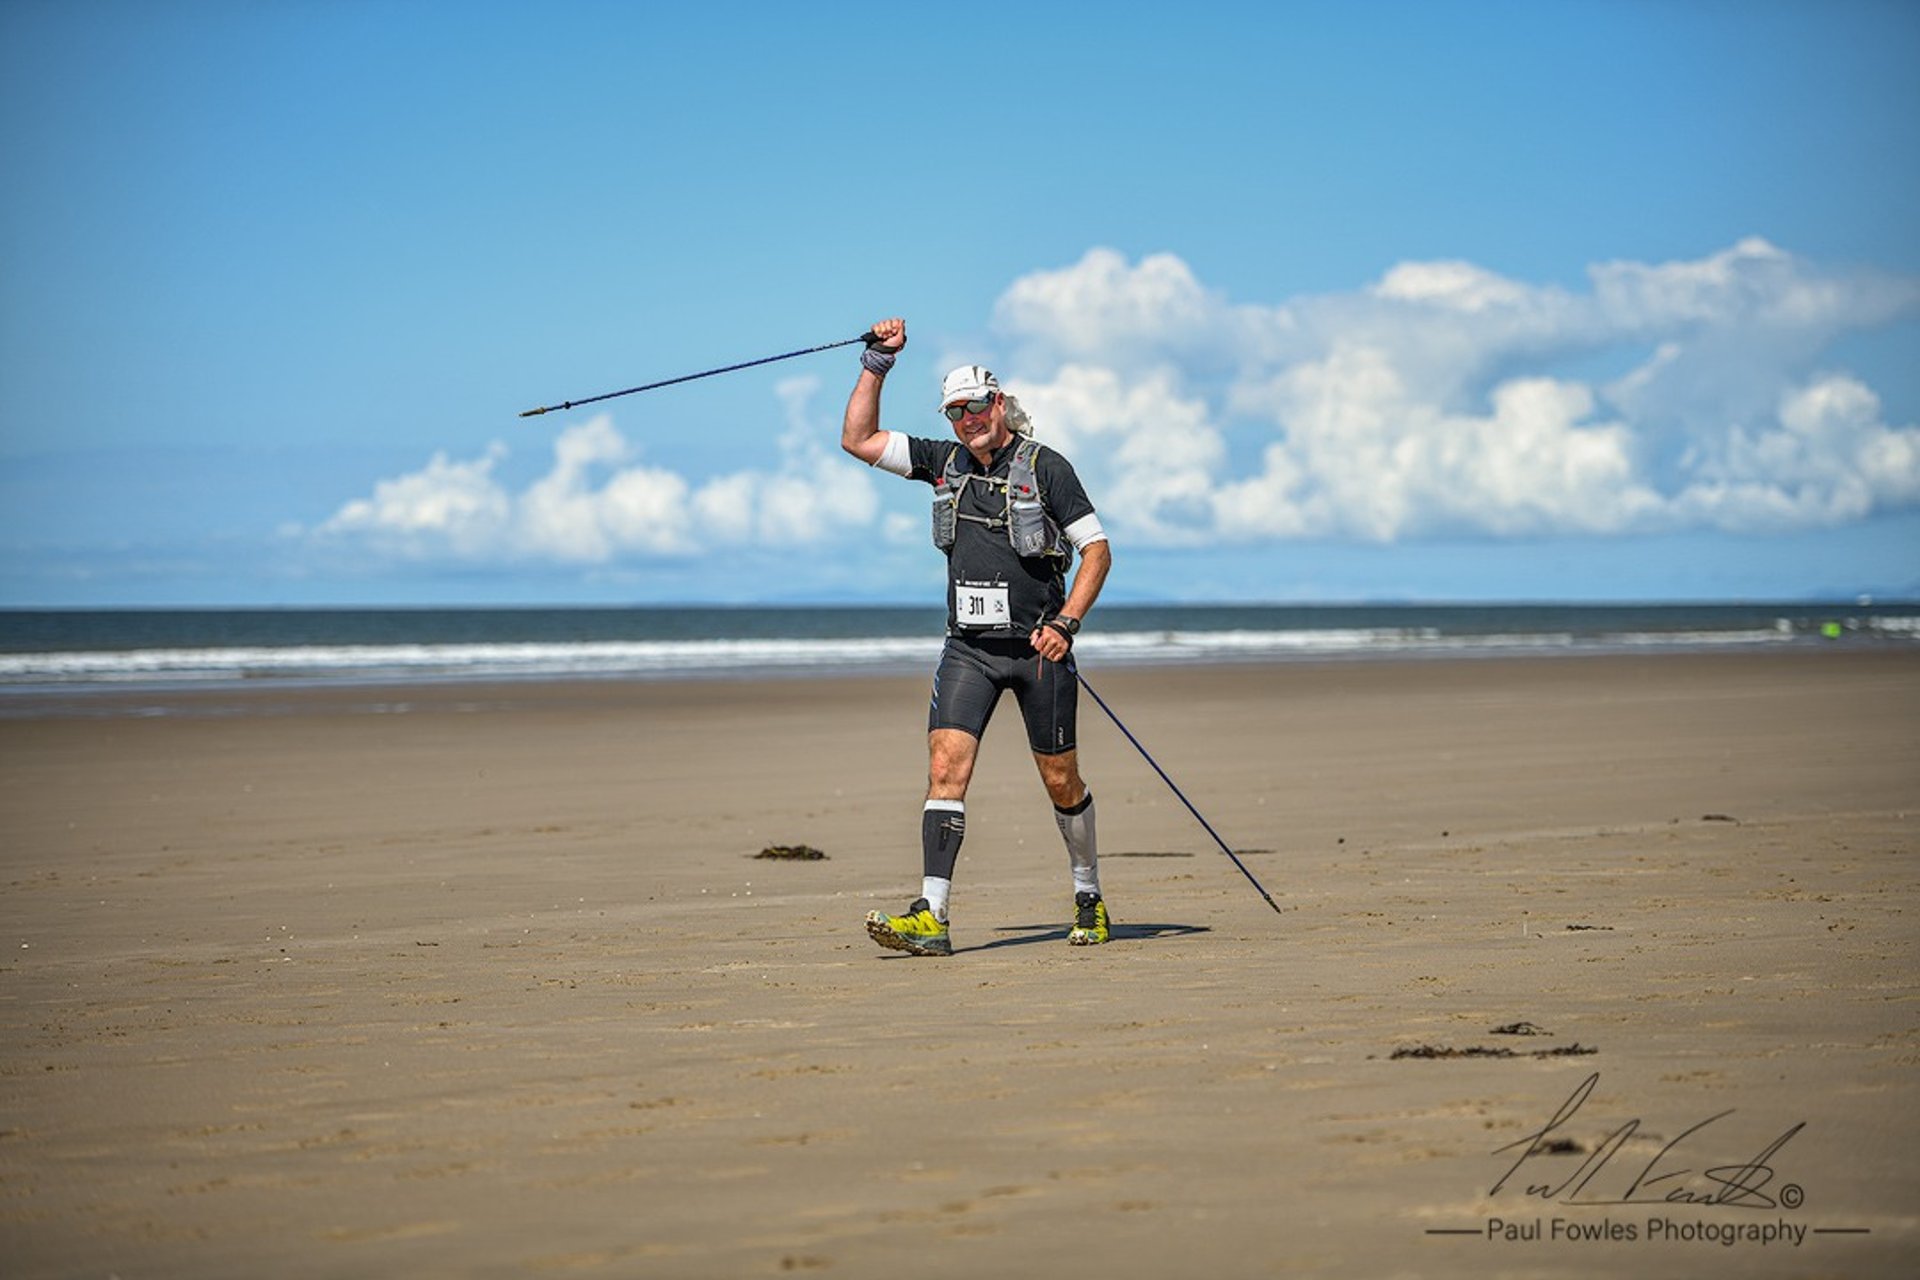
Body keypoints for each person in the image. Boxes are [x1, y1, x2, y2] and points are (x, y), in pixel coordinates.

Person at [840, 317, 1114, 956]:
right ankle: (931, 916)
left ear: (1000, 402)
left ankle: (1089, 895)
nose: (968, 419)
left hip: (1039, 652)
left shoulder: (1047, 467)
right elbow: (858, 439)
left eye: (977, 406)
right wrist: (877, 364)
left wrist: (1067, 623)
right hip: (969, 650)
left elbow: (1097, 550)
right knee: (945, 770)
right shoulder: (943, 461)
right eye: (956, 411)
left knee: (1061, 782)